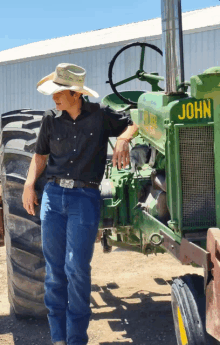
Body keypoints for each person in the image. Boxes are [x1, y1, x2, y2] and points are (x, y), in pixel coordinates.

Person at [22, 63, 138, 345]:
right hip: (53, 197)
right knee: (54, 271)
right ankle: (58, 338)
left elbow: (138, 120)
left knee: (77, 269)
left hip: (84, 199)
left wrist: (123, 138)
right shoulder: (51, 118)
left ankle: (76, 340)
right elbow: (40, 156)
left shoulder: (100, 116)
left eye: (59, 92)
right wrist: (28, 186)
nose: (53, 98)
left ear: (76, 94)